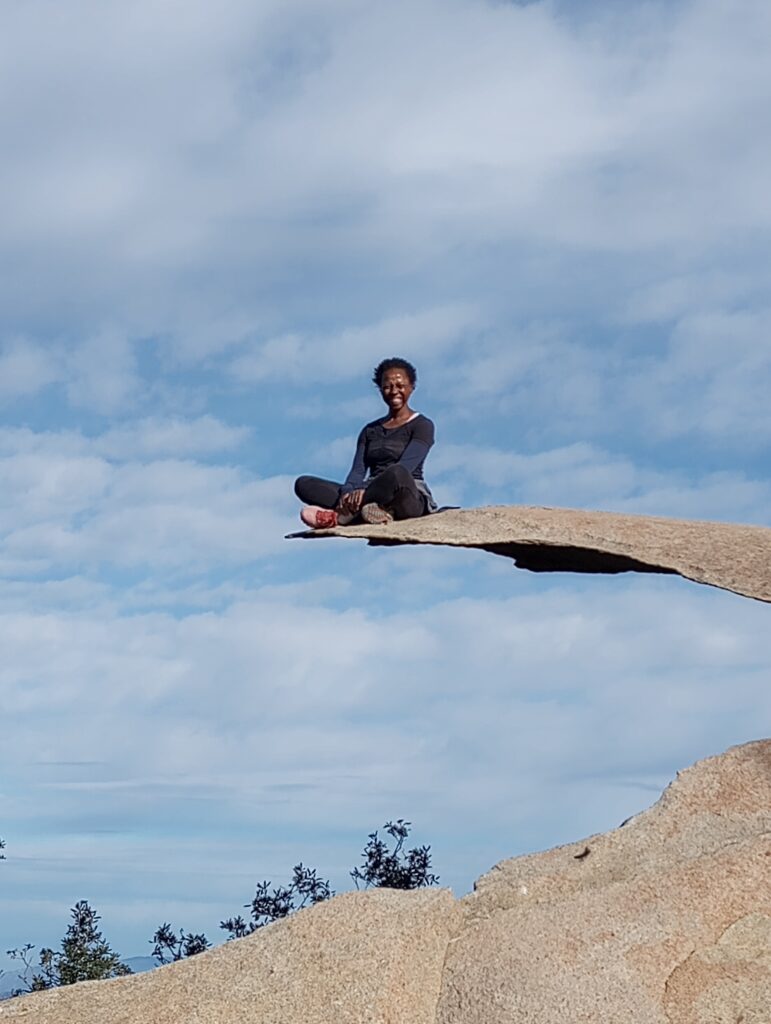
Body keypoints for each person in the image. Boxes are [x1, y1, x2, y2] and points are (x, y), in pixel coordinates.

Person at [295, 357, 437, 528]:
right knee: (303, 484)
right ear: (380, 389)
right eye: (387, 386)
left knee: (396, 472)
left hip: (405, 494)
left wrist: (364, 491)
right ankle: (368, 511)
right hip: (367, 492)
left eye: (400, 386)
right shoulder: (370, 430)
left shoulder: (422, 425)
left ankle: (341, 517)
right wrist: (348, 493)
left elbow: (407, 466)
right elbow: (357, 471)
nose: (394, 391)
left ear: (411, 387)